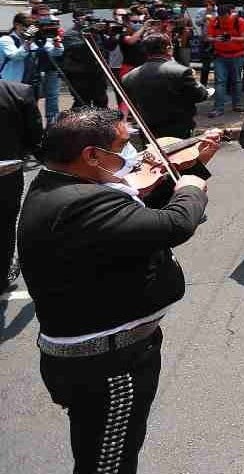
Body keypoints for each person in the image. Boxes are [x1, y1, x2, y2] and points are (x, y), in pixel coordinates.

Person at [19, 106, 216, 474]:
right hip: (110, 366)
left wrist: (191, 168)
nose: (135, 155)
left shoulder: (61, 186)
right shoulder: (83, 202)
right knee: (107, 465)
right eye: (123, 146)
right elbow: (172, 224)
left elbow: (136, 225)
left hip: (100, 358)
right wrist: (191, 188)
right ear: (91, 155)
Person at [121, 33, 212, 140]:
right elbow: (200, 95)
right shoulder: (181, 71)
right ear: (168, 49)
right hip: (179, 130)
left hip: (147, 131)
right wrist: (194, 78)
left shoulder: (128, 77)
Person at [0, 78, 42, 283]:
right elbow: (35, 138)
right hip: (6, 174)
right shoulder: (18, 91)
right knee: (5, 225)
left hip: (8, 170)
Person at [205, 4, 244, 118]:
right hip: (220, 55)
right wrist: (215, 39)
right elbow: (207, 37)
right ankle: (218, 108)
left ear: (230, 14)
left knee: (237, 81)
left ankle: (237, 104)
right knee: (220, 82)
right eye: (221, 17)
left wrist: (231, 38)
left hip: (237, 55)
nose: (223, 20)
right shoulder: (214, 21)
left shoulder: (239, 21)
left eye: (225, 17)